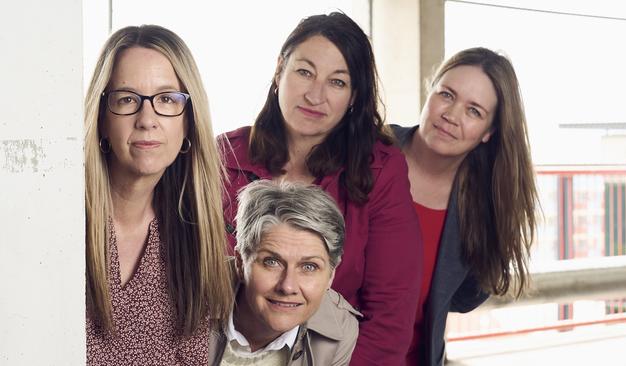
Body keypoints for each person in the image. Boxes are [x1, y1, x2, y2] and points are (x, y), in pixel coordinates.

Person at [219, 12, 423, 365]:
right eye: (304, 72)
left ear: (355, 96)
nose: (315, 95)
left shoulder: (379, 170)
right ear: (279, 69)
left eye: (337, 82)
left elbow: (391, 314)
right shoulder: (222, 156)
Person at [84, 25, 233, 365]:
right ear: (102, 119)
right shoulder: (62, 219)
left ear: (188, 123)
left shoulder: (192, 236)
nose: (147, 119)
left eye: (167, 99)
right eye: (127, 99)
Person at [391, 47, 538, 366]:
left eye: (474, 111)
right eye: (446, 94)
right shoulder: (365, 152)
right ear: (429, 91)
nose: (451, 115)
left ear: (489, 133)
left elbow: (465, 296)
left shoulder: (484, 205)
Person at [210, 180, 360, 365]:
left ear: (330, 275)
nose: (288, 286)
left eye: (309, 267)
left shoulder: (339, 330)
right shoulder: (182, 297)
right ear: (241, 263)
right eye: (272, 262)